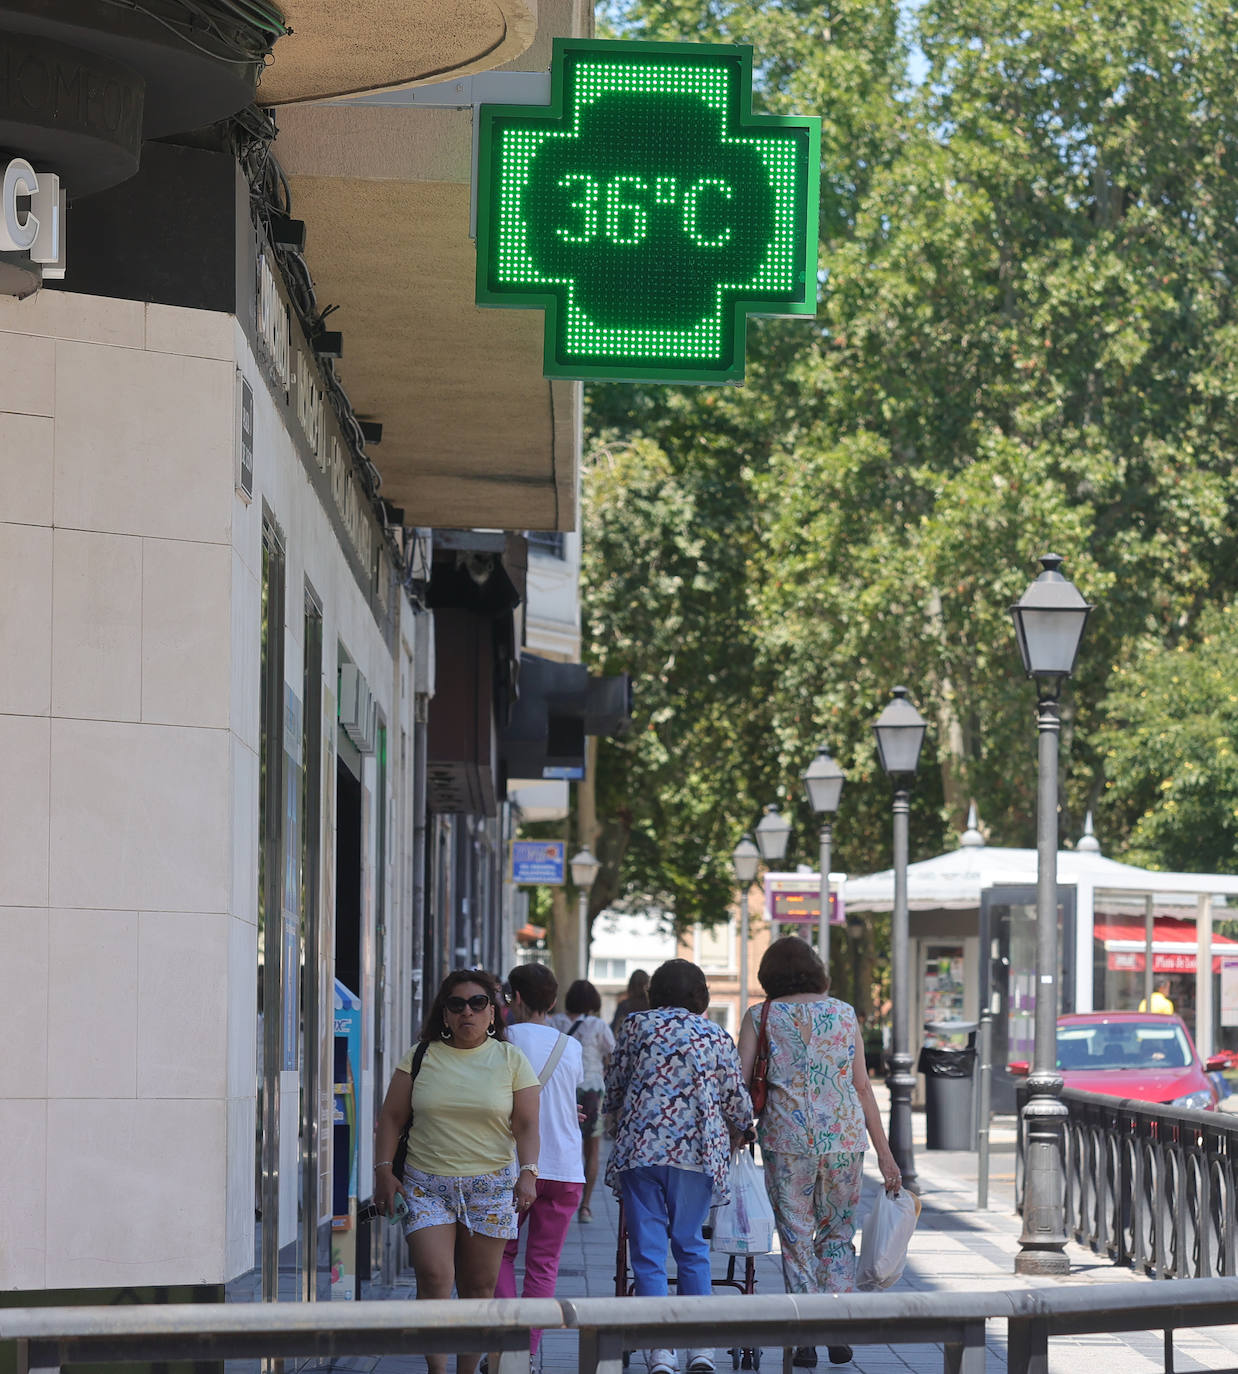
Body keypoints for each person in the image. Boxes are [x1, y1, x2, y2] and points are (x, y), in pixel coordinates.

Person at [738, 937, 901, 1371]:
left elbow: (739, 1086)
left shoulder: (761, 1015)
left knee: (795, 1238)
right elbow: (863, 1087)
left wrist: (736, 1133)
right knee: (837, 1236)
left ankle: (805, 1331)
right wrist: (886, 1156)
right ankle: (837, 1326)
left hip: (785, 1141)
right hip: (844, 1141)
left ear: (770, 974)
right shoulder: (844, 1014)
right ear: (815, 970)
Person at [374, 970, 540, 1374]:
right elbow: (392, 1118)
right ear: (444, 1014)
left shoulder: (511, 1059)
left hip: (492, 1185)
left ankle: (467, 1369)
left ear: (493, 1013)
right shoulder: (420, 1055)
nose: (468, 1011)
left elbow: (527, 1125)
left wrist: (529, 1172)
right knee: (433, 1276)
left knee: (479, 1288)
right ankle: (437, 1369)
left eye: (478, 1003)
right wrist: (383, 1171)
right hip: (425, 1184)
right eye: (457, 1004)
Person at [604, 959, 752, 1374]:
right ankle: (701, 1349)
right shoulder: (715, 1034)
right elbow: (736, 1099)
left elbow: (614, 1086)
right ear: (700, 995)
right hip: (696, 1154)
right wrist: (742, 1128)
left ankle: (660, 1352)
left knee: (647, 1253)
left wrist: (614, 1119)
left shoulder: (635, 1026)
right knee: (691, 1245)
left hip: (641, 1151)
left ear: (655, 993)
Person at [494, 962, 585, 1356]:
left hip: (515, 1167)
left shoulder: (503, 1040)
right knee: (544, 1264)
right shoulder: (571, 1045)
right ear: (551, 1001)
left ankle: (504, 1347)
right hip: (565, 1168)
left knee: (500, 1255)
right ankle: (527, 1353)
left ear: (514, 998)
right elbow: (560, 1094)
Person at [561, 977, 615, 1222]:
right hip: (592, 1088)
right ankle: (585, 1206)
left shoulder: (555, 1022)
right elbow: (612, 1053)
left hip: (563, 1091)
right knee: (591, 1150)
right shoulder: (597, 1024)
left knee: (562, 1146)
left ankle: (561, 1199)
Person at [611, 968, 651, 1033]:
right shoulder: (651, 1006)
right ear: (647, 985)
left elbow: (615, 1029)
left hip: (628, 1041)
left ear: (630, 985)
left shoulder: (624, 1006)